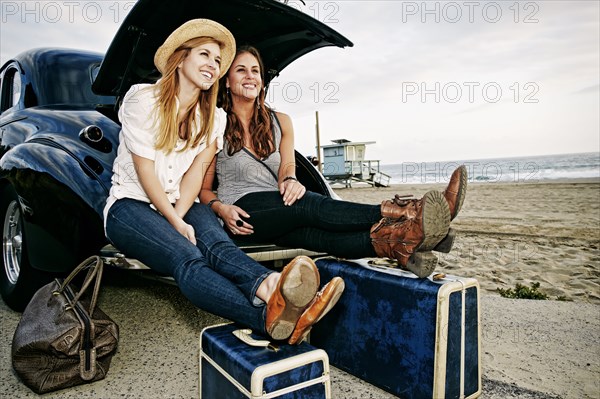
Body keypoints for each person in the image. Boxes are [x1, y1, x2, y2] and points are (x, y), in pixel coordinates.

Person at [103, 20, 344, 345]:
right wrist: (175, 221)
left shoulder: (213, 119)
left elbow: (193, 177)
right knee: (187, 258)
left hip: (181, 202)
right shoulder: (142, 100)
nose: (213, 65)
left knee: (218, 246)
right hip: (130, 207)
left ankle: (272, 288)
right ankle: (264, 318)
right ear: (181, 57)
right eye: (205, 54)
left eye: (218, 61)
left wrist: (181, 212)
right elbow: (146, 173)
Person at [200, 46, 468, 278]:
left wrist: (290, 180)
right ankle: (409, 212)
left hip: (278, 209)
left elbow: (286, 165)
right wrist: (221, 210)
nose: (250, 77)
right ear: (226, 80)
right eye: (241, 70)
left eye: (255, 71)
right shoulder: (213, 123)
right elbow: (203, 189)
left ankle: (398, 242)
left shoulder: (281, 121)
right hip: (242, 213)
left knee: (319, 237)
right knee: (307, 205)